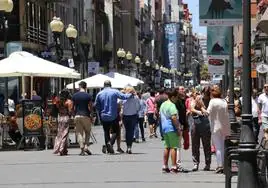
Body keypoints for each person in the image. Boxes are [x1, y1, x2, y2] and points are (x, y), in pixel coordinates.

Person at [95, 80, 133, 154]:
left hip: (103, 116)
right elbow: (124, 97)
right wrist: (131, 94)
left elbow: (96, 105)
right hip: (113, 115)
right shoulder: (115, 92)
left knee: (106, 132)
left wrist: (100, 112)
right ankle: (110, 143)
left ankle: (109, 148)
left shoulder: (99, 93)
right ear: (110, 85)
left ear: (104, 85)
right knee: (115, 132)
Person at [206, 87, 230, 173]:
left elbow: (207, 112)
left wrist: (201, 107)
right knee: (222, 146)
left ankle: (220, 166)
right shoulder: (224, 101)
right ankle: (223, 164)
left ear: (212, 94)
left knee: (218, 147)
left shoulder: (212, 101)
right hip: (224, 126)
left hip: (215, 127)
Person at [160, 89, 181, 173]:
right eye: (176, 97)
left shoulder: (163, 104)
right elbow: (174, 117)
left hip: (164, 128)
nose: (177, 99)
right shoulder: (172, 105)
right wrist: (178, 128)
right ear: (173, 97)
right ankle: (174, 166)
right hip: (171, 128)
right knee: (174, 147)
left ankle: (165, 165)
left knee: (167, 147)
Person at [190, 90, 211, 172]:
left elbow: (206, 110)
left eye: (199, 94)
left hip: (204, 123)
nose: (197, 95)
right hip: (195, 123)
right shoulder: (192, 101)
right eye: (195, 94)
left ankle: (207, 164)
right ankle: (196, 163)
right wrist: (198, 111)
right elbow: (191, 108)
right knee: (195, 145)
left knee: (206, 144)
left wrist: (201, 106)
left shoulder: (207, 100)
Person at [72, 81, 93, 156]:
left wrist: (73, 114)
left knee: (79, 133)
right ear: (85, 87)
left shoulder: (75, 95)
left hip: (77, 116)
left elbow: (73, 107)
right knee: (87, 132)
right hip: (86, 115)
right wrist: (92, 115)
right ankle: (86, 146)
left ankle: (82, 149)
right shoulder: (88, 96)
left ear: (79, 86)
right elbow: (90, 106)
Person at [53, 90, 73, 156]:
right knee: (64, 134)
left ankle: (60, 149)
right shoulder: (68, 102)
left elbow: (56, 108)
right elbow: (70, 112)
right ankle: (61, 149)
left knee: (59, 133)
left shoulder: (58, 101)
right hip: (66, 117)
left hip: (60, 117)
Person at [121, 86, 140, 154]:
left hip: (125, 116)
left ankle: (128, 146)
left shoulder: (123, 97)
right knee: (131, 132)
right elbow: (138, 107)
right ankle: (129, 147)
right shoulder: (136, 97)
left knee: (127, 131)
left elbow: (120, 105)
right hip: (133, 116)